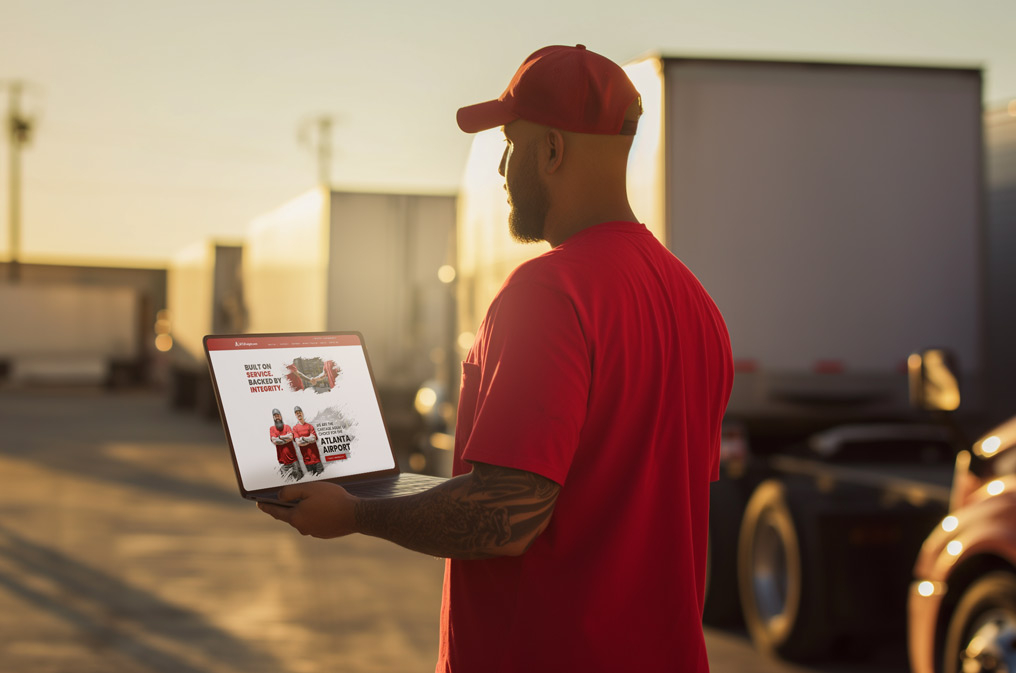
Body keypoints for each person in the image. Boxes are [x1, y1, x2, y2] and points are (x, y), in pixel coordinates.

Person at [259, 44, 733, 672]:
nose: (503, 168)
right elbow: (595, 500)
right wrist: (401, 492)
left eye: (511, 143)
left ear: (552, 150)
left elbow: (510, 514)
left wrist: (356, 513)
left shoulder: (549, 291)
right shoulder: (696, 305)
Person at [269, 408, 303, 481]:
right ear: (273, 418)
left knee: (300, 481)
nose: (277, 417)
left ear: (281, 416)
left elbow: (290, 437)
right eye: (275, 416)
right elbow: (274, 441)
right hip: (282, 463)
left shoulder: (287, 427)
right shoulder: (272, 429)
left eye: (278, 415)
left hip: (294, 460)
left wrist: (279, 437)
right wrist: (285, 439)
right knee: (287, 483)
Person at [291, 405, 323, 475]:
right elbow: (298, 443)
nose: (298, 414)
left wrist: (303, 438)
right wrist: (309, 439)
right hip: (307, 461)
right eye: (296, 413)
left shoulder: (310, 426)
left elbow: (314, 439)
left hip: (316, 459)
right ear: (295, 415)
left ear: (302, 413)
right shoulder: (295, 428)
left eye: (299, 412)